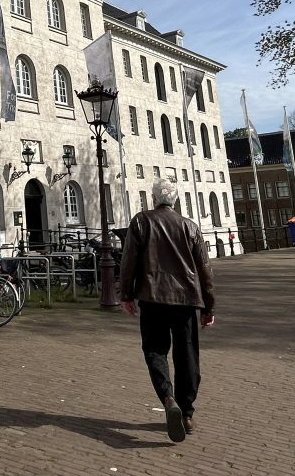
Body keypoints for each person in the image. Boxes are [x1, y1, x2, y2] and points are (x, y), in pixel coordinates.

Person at [118, 178, 215, 443]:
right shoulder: (189, 226)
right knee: (187, 355)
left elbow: (128, 261)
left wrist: (125, 294)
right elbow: (205, 269)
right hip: (186, 301)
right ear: (175, 201)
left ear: (153, 199)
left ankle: (168, 397)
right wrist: (209, 305)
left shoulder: (140, 222)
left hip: (151, 298)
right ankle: (186, 413)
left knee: (155, 351)